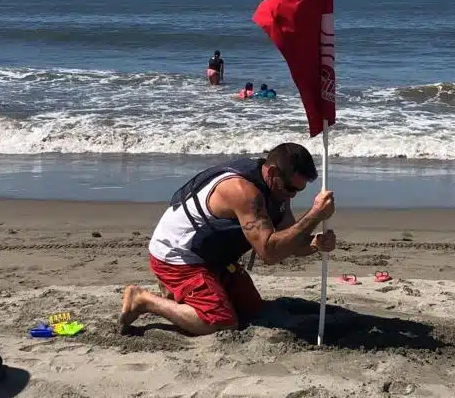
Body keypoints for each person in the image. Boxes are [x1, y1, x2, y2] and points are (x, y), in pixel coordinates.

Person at [119, 142, 336, 336]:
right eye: (290, 188)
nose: (292, 196)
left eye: (299, 190)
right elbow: (269, 252)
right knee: (221, 322)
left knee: (251, 309)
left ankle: (179, 294)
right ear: (271, 172)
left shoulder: (277, 190)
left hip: (212, 256)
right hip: (178, 254)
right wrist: (315, 214)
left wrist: (314, 243)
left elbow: (289, 240)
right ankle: (142, 300)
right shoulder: (243, 193)